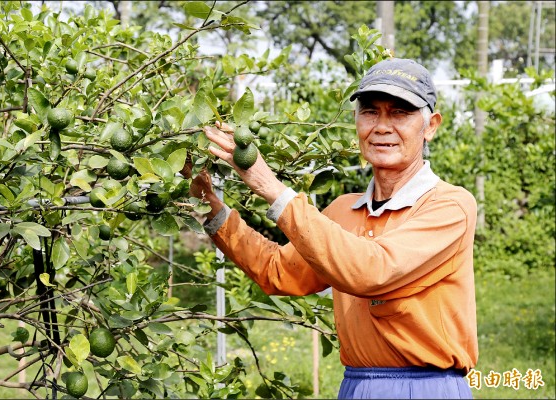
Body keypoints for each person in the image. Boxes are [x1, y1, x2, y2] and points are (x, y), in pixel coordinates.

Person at [183, 58, 478, 399]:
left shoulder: (449, 206)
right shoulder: (343, 210)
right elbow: (278, 271)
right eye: (370, 112)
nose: (382, 126)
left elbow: (372, 269)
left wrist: (271, 187)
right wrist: (208, 205)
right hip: (357, 385)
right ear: (356, 121)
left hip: (427, 387)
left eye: (399, 113)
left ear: (430, 126)